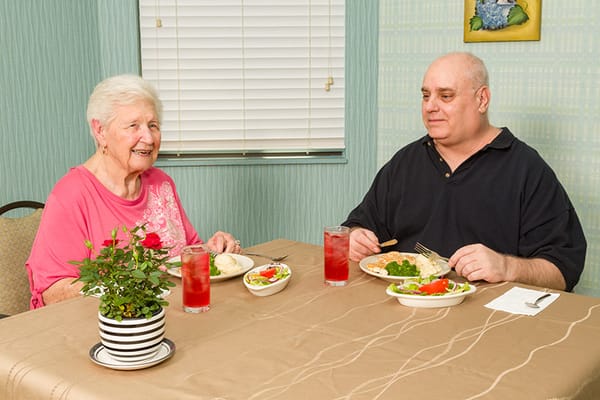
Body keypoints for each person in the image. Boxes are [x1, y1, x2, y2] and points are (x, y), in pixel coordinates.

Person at [342, 52, 586, 292]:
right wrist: (355, 238)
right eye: (426, 96)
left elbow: (563, 271)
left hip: (489, 316)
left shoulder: (526, 168)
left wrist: (506, 267)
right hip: (406, 303)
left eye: (445, 96)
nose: (430, 106)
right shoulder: (406, 161)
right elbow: (358, 226)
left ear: (482, 100)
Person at [26, 74, 241, 309]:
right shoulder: (70, 195)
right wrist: (130, 284)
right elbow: (53, 293)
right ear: (100, 131)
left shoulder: (161, 183)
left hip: (174, 316)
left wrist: (213, 250)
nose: (148, 138)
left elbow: (186, 255)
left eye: (153, 125)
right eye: (133, 126)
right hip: (111, 332)